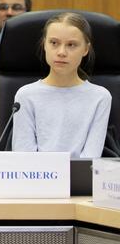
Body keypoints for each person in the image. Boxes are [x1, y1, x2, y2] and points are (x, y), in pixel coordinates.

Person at [12, 12, 111, 158]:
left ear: (85, 49)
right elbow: (24, 157)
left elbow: (91, 159)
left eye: (71, 45)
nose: (61, 52)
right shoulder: (25, 95)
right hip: (36, 178)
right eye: (54, 43)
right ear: (44, 44)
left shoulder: (100, 97)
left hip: (81, 179)